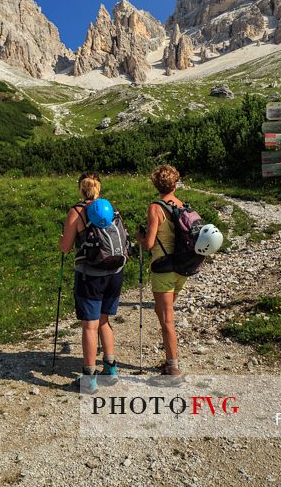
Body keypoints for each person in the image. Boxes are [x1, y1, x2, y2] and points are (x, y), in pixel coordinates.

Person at [59, 172, 124, 393]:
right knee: (104, 321)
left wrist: (63, 238)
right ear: (98, 188)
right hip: (115, 271)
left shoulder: (76, 211)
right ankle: (111, 369)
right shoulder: (111, 209)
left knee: (89, 325)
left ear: (81, 189)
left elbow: (66, 247)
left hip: (90, 275)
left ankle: (89, 380)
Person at [136, 164, 187, 381]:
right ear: (175, 183)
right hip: (182, 268)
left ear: (156, 185)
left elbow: (148, 243)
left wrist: (139, 237)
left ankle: (173, 368)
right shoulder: (182, 205)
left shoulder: (155, 208)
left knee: (166, 319)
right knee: (162, 312)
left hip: (163, 267)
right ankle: (169, 357)